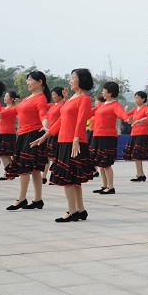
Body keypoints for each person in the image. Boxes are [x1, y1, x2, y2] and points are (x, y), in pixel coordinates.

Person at [31, 68, 96, 222]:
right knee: (73, 180)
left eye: (73, 77)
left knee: (68, 179)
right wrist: (45, 136)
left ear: (81, 80)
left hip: (74, 143)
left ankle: (71, 211)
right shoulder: (72, 98)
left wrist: (76, 139)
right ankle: (80, 210)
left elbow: (81, 120)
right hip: (63, 141)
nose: (70, 80)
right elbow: (61, 121)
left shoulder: (85, 98)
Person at [0, 71, 50, 211]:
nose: (27, 82)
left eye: (30, 79)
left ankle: (21, 199)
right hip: (23, 135)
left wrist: (45, 125)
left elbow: (43, 114)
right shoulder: (27, 98)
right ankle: (38, 200)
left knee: (24, 167)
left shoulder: (40, 98)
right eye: (27, 80)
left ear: (40, 82)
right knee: (34, 169)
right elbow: (14, 110)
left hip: (33, 134)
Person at [90, 81, 128, 195]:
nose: (102, 92)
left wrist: (127, 119)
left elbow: (122, 114)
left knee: (106, 163)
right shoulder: (102, 105)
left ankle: (110, 187)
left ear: (110, 93)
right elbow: (88, 113)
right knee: (100, 163)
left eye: (104, 91)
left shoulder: (115, 105)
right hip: (97, 135)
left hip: (107, 136)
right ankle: (104, 185)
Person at [122, 91, 148, 181]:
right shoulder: (135, 109)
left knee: (137, 154)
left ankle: (139, 174)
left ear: (143, 99)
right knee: (136, 155)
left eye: (137, 98)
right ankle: (141, 174)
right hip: (134, 133)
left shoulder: (146, 108)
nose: (136, 100)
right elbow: (126, 115)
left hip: (142, 133)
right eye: (135, 98)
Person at [41, 87, 67, 184]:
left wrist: (65, 97)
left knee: (55, 156)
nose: (53, 96)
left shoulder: (63, 104)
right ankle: (43, 176)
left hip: (57, 133)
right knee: (47, 156)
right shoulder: (52, 105)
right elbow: (42, 106)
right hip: (49, 132)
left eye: (54, 94)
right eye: (52, 94)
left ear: (60, 95)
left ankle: (55, 176)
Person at [0, 91, 20, 181]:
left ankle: (9, 172)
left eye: (7, 96)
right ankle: (11, 172)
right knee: (7, 155)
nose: (4, 98)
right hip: (2, 132)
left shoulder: (13, 109)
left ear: (11, 99)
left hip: (7, 132)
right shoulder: (2, 108)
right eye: (5, 96)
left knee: (3, 154)